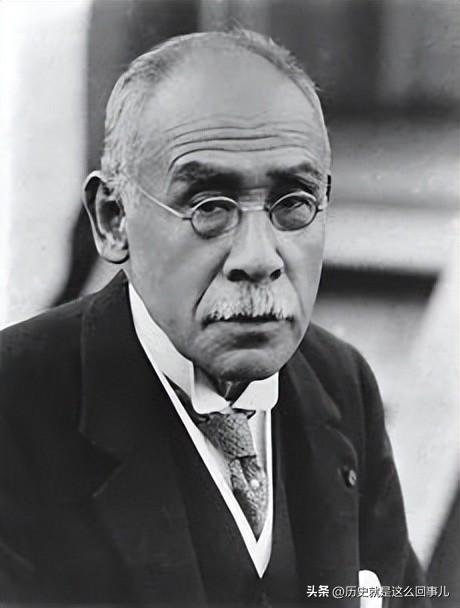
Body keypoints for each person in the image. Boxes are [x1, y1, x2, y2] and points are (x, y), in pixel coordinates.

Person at [0, 30, 428, 607]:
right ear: (113, 219)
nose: (259, 258)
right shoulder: (16, 409)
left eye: (294, 203)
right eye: (209, 207)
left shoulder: (340, 382)